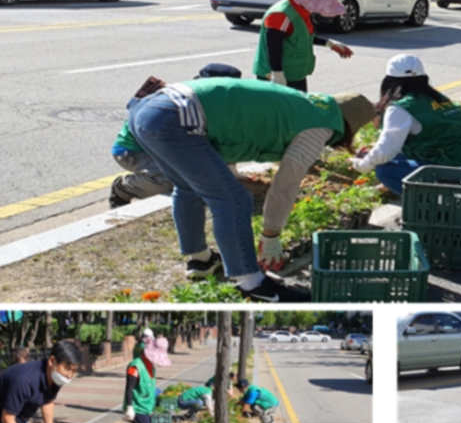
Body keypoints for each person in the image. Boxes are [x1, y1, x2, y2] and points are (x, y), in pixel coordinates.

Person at [127, 76, 375, 300]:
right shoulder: (319, 127)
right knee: (234, 200)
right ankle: (251, 284)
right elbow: (286, 182)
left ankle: (201, 261)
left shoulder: (305, 106)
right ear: (349, 127)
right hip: (176, 118)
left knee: (187, 187)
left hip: (149, 111)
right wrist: (271, 235)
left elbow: (234, 121)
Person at [350, 54, 461, 195]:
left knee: (384, 169)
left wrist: (363, 165)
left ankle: (432, 210)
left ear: (389, 82)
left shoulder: (401, 108)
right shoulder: (437, 98)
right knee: (393, 159)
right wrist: (373, 154)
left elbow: (385, 149)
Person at [109, 64, 243, 209]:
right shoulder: (183, 100)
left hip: (168, 146)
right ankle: (123, 189)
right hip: (135, 150)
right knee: (168, 179)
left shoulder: (211, 101)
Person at [253, 0, 354, 92]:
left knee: (300, 108)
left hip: (295, 74)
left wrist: (329, 44)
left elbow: (301, 36)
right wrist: (277, 74)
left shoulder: (302, 10)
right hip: (277, 76)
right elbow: (273, 46)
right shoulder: (281, 15)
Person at [123, 336, 171, 423]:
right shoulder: (135, 366)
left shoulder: (151, 367)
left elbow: (150, 390)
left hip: (146, 407)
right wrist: (129, 407)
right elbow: (129, 388)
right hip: (136, 407)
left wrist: (151, 408)